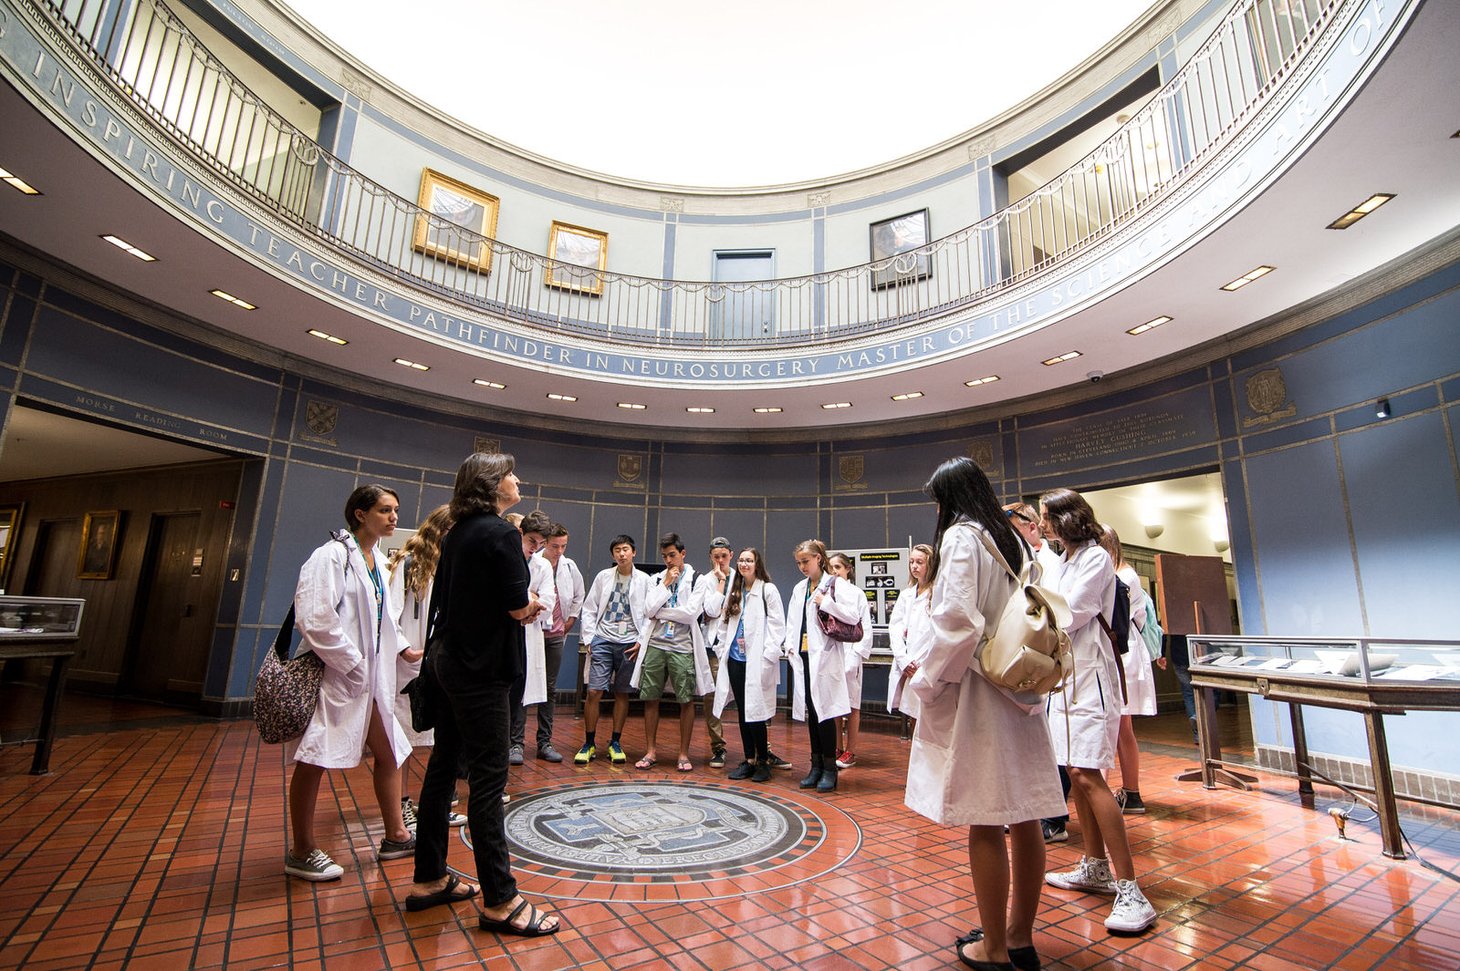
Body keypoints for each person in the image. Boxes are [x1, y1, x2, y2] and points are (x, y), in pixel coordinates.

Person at [905, 456, 1068, 971]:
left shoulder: (961, 538)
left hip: (980, 692)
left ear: (950, 497)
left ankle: (993, 947)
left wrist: (927, 682)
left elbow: (956, 622)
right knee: (1024, 817)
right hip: (1020, 686)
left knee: (984, 817)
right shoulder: (1013, 538)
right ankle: (1019, 936)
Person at [407, 453, 561, 937]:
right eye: (512, 474)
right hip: (482, 671)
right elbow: (517, 607)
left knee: (443, 769)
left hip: (450, 663)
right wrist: (533, 604)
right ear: (494, 485)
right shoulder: (499, 534)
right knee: (489, 783)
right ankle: (500, 900)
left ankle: (429, 878)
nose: (519, 479)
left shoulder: (457, 531)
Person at [1040, 488, 1156, 934]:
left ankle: (1130, 889)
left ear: (1069, 518)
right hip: (1066, 679)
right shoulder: (1065, 558)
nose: (1045, 525)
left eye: (1048, 517)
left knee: (1089, 774)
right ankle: (1094, 865)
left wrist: (1036, 608)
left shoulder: (1094, 558)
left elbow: (1071, 612)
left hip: (1091, 681)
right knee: (1074, 772)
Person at [285, 485, 415, 881]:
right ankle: (302, 849)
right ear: (360, 514)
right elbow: (315, 617)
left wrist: (404, 652)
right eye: (385, 510)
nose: (394, 518)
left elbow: (386, 620)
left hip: (371, 679)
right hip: (336, 677)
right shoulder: (329, 557)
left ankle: (395, 834)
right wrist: (353, 665)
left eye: (395, 510)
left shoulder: (379, 560)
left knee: (390, 750)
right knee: (314, 758)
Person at [387, 505, 466, 831]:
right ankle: (402, 804)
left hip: (437, 665)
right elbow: (390, 617)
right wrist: (407, 650)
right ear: (440, 530)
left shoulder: (450, 566)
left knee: (439, 738)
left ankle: (436, 804)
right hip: (409, 666)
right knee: (402, 741)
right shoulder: (408, 566)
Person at [1006, 501, 1072, 845]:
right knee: (1029, 741)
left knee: (1051, 741)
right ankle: (1027, 812)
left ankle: (1054, 817)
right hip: (1020, 661)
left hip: (1042, 659)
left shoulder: (1050, 564)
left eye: (1013, 526)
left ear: (1032, 527)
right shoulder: (1017, 560)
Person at [1098, 525, 1166, 816]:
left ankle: (1111, 792)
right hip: (1124, 651)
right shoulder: (1126, 574)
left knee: (1112, 725)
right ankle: (1131, 791)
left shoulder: (1123, 576)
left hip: (1121, 653)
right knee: (1121, 726)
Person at [784, 539, 862, 793]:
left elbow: (853, 616)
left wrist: (825, 602)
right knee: (812, 711)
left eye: (805, 561)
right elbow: (793, 620)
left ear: (819, 558)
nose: (802, 567)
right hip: (804, 657)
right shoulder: (800, 588)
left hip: (826, 658)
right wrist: (789, 644)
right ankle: (815, 765)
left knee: (826, 712)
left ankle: (830, 769)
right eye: (798, 563)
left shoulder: (836, 584)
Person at [631, 533, 713, 772]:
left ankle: (684, 754)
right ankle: (650, 751)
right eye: (665, 556)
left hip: (682, 647)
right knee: (650, 698)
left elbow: (690, 614)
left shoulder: (698, 579)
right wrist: (666, 584)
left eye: (672, 555)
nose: (668, 560)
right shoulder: (657, 579)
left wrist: (661, 612)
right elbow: (647, 610)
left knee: (685, 700)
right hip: (656, 644)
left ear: (683, 554)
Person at [705, 547, 785, 782]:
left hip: (757, 662)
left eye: (748, 560)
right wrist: (722, 649)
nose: (744, 564)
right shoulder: (735, 588)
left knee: (756, 712)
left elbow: (777, 625)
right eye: (741, 560)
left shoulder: (768, 590)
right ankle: (749, 759)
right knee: (742, 710)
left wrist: (768, 655)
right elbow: (724, 620)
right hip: (736, 660)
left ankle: (763, 762)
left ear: (757, 564)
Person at [575, 534, 651, 765]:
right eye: (617, 550)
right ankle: (588, 743)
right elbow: (589, 608)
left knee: (622, 693)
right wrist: (589, 639)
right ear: (613, 554)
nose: (622, 553)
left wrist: (641, 641)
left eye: (625, 549)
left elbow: (650, 613)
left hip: (629, 642)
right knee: (594, 692)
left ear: (633, 552)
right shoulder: (603, 577)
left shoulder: (645, 580)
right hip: (603, 639)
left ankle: (615, 742)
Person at [506, 511, 556, 770]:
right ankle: (508, 744)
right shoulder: (507, 555)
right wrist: (529, 597)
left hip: (530, 632)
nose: (535, 548)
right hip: (504, 635)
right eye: (531, 541)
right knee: (504, 693)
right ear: (520, 535)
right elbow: (505, 595)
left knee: (522, 692)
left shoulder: (543, 564)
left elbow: (548, 601)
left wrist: (527, 604)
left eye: (541, 544)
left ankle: (517, 743)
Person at [533, 522, 584, 762]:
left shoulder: (569, 566)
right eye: (555, 546)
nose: (560, 551)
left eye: (564, 546)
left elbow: (578, 595)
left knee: (549, 689)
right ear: (545, 543)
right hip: (531, 633)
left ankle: (545, 742)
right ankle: (515, 744)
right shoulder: (533, 562)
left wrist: (571, 619)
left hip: (555, 634)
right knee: (522, 686)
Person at [828, 552, 874, 769]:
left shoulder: (857, 594)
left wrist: (857, 655)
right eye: (831, 567)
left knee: (852, 705)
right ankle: (837, 746)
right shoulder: (827, 593)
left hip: (851, 653)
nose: (835, 571)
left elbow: (865, 626)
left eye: (838, 567)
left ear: (848, 569)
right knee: (836, 704)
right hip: (833, 655)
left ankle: (851, 750)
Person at [696, 537, 734, 768]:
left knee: (748, 695)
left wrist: (718, 610)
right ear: (710, 557)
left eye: (724, 556)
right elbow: (708, 611)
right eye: (716, 556)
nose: (720, 560)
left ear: (731, 554)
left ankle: (761, 747)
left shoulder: (742, 576)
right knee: (711, 698)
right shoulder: (705, 580)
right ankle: (718, 746)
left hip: (738, 646)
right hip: (712, 646)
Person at [887, 544, 934, 722]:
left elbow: (934, 633)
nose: (914, 566)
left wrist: (921, 663)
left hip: (927, 664)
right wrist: (904, 660)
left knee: (929, 718)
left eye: (920, 562)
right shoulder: (906, 595)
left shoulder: (936, 593)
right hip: (908, 664)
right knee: (913, 716)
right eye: (912, 562)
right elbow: (896, 629)